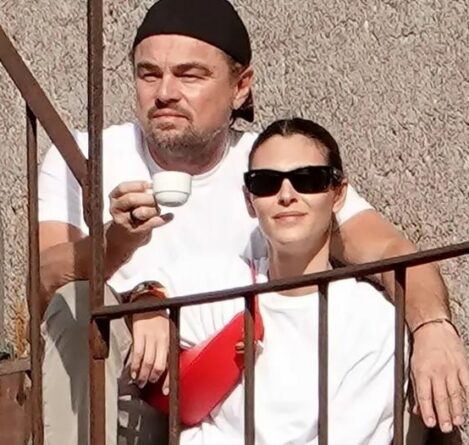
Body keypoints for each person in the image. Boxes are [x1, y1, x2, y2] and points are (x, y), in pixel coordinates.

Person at [37, 0, 467, 444]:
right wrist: (119, 249)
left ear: (241, 86)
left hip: (238, 393)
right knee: (79, 300)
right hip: (126, 386)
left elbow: (393, 254)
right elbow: (46, 284)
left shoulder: (273, 168)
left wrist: (433, 327)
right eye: (148, 74)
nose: (164, 92)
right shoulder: (86, 155)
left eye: (189, 75)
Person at [144, 117, 407, 444]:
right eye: (266, 183)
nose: (286, 195)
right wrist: (149, 305)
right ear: (249, 200)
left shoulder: (372, 320)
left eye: (308, 179)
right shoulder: (223, 281)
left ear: (338, 194)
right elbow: (147, 292)